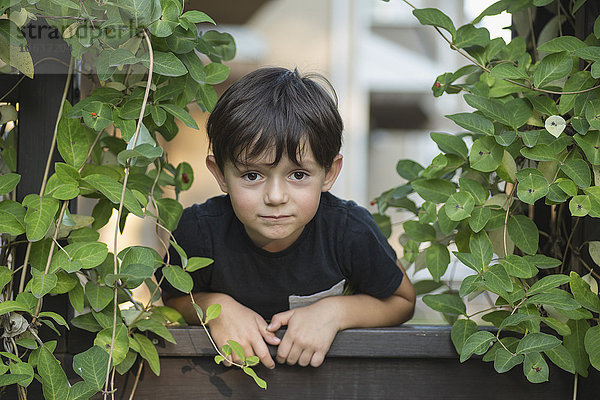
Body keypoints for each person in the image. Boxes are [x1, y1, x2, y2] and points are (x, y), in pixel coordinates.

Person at [160, 67, 416, 369]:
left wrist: (334, 313)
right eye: (252, 175)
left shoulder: (349, 232)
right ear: (220, 174)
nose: (276, 196)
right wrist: (217, 307)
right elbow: (171, 299)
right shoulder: (199, 233)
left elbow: (402, 301)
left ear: (329, 173)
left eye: (298, 174)